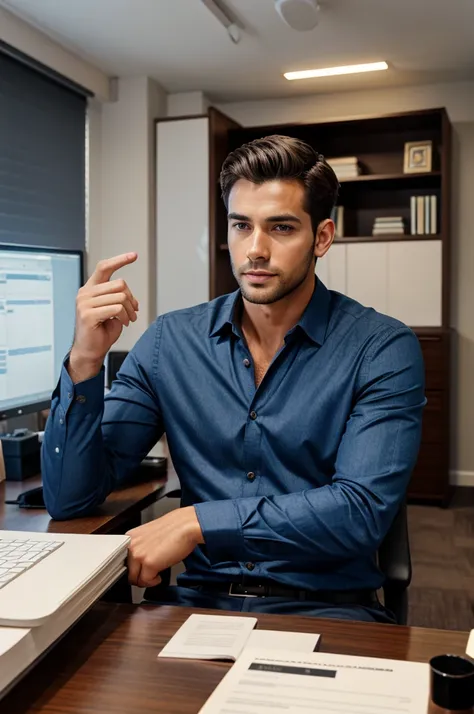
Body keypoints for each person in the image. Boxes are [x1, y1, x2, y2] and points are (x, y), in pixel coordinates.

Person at [42, 135, 425, 623]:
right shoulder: (169, 344)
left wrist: (199, 522)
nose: (256, 250)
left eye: (281, 227)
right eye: (241, 226)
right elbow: (71, 498)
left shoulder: (381, 348)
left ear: (322, 237)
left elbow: (361, 512)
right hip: (196, 606)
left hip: (328, 611)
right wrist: (85, 361)